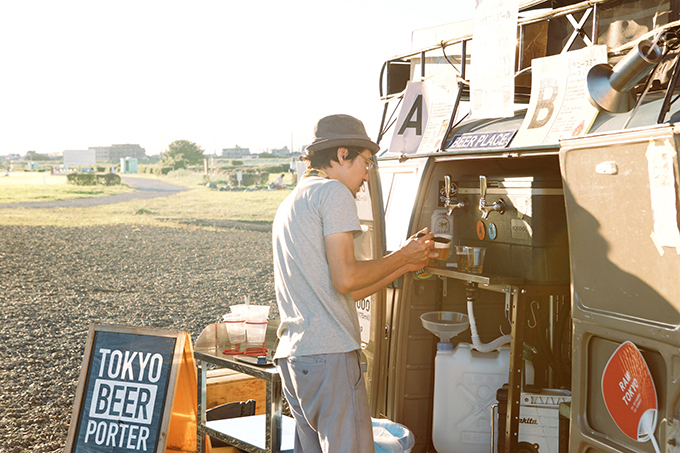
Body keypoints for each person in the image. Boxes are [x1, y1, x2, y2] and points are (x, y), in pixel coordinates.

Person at [272, 114, 437, 452]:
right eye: (366, 161)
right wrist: (403, 254)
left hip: (296, 359)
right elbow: (347, 277)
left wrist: (405, 263)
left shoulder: (292, 202)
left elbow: (346, 289)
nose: (366, 173)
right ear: (342, 154)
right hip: (329, 355)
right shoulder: (333, 193)